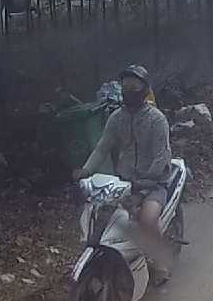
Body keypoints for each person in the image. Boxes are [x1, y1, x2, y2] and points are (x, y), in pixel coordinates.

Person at [73, 64, 177, 281]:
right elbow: (102, 147)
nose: (129, 90)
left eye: (135, 86)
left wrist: (146, 179)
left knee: (147, 219)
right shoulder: (116, 118)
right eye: (126, 86)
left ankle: (160, 262)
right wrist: (86, 170)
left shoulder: (157, 119)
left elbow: (162, 156)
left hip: (153, 184)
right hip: (123, 181)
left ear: (145, 90)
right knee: (101, 216)